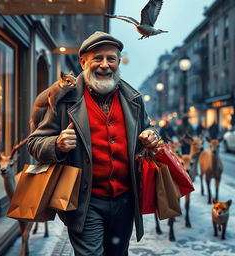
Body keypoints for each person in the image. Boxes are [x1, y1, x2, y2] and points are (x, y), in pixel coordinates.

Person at [27, 31, 159, 256]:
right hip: (85, 202)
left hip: (125, 201)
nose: (105, 65)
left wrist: (151, 136)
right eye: (97, 58)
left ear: (118, 62)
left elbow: (149, 129)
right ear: (83, 61)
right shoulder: (64, 99)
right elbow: (34, 142)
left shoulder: (133, 100)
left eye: (111, 59)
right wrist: (57, 144)